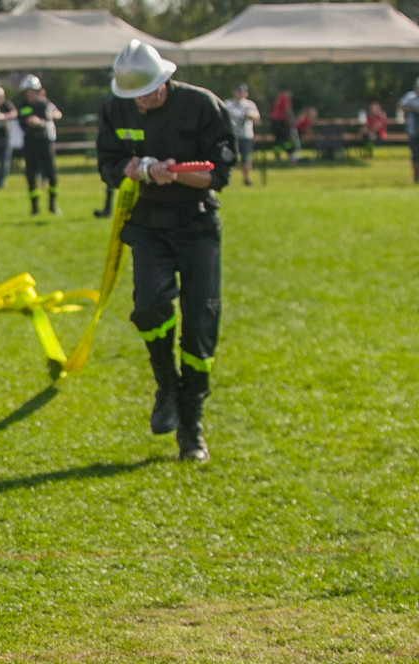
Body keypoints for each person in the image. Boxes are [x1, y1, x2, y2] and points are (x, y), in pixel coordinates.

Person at [96, 39, 236, 462]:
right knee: (150, 306)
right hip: (147, 225)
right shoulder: (115, 108)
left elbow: (219, 173)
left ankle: (191, 424)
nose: (138, 105)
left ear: (163, 82)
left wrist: (172, 173)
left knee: (199, 324)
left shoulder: (202, 107)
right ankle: (166, 389)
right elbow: (108, 163)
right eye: (131, 98)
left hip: (195, 224)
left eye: (145, 96)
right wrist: (139, 169)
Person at [17, 75, 62, 215]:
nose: (31, 94)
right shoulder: (22, 107)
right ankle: (35, 207)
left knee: (52, 174)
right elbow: (22, 123)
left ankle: (52, 204)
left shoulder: (43, 104)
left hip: (45, 142)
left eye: (33, 90)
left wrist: (39, 122)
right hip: (30, 142)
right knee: (31, 176)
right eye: (28, 91)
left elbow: (51, 118)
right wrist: (29, 123)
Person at [224, 83, 261, 185]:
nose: (240, 93)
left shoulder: (249, 105)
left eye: (242, 91)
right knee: (229, 158)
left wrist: (250, 115)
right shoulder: (228, 104)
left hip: (246, 135)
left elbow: (257, 119)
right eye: (238, 91)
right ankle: (228, 179)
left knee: (246, 159)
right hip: (232, 136)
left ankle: (246, 179)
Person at [397, 77, 419, 183]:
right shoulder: (410, 97)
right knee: (415, 155)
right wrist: (414, 110)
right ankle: (416, 177)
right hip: (414, 130)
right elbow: (400, 106)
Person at [269, 86, 294, 161]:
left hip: (274, 121)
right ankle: (290, 154)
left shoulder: (278, 98)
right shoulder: (284, 98)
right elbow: (287, 110)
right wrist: (292, 119)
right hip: (280, 121)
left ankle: (277, 155)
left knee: (278, 139)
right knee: (285, 138)